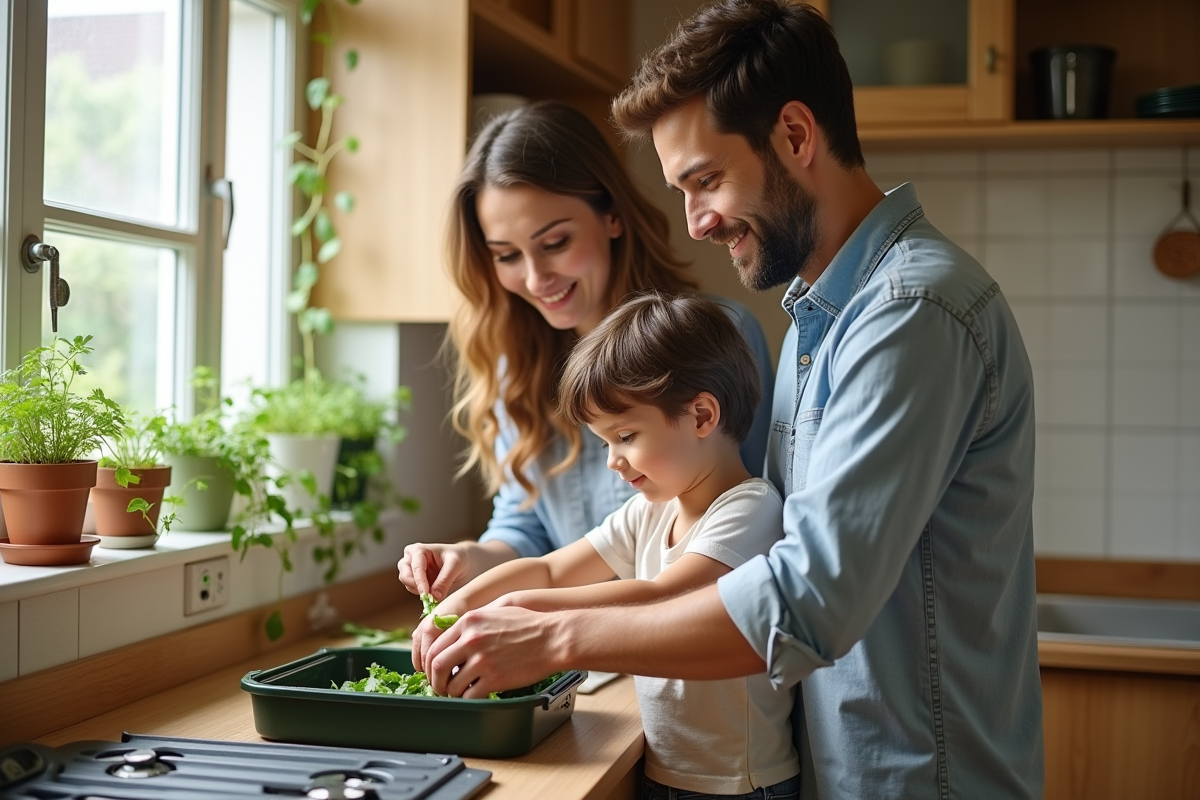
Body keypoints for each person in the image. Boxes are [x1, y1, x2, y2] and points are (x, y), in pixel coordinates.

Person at [420, 3, 1044, 799]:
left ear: (793, 135)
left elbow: (799, 596)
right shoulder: (824, 318)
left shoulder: (909, 315)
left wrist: (551, 634)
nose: (699, 220)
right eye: (682, 188)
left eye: (707, 180)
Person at [413, 292, 799, 799]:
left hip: (741, 783)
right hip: (667, 769)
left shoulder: (749, 508)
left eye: (626, 435)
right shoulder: (653, 508)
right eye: (605, 442)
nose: (614, 460)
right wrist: (462, 604)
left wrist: (520, 612)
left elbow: (660, 597)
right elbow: (551, 571)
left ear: (702, 415)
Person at [396, 101, 775, 603]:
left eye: (554, 242)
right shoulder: (519, 369)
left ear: (612, 215)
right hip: (584, 661)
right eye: (507, 256)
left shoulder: (721, 335)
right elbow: (527, 534)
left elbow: (748, 523)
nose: (535, 279)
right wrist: (468, 560)